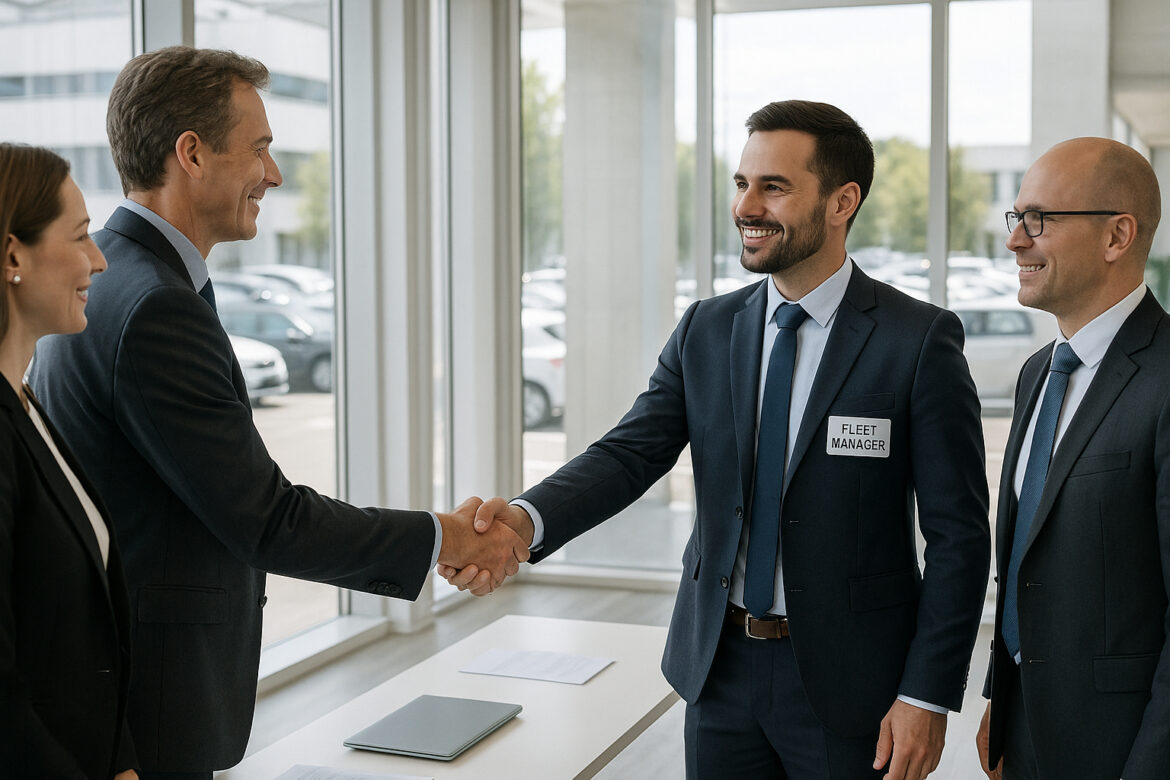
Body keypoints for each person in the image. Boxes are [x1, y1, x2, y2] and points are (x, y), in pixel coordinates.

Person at [445, 100, 991, 779]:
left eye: (774, 187)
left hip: (856, 684)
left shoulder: (917, 341)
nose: (746, 207)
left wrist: (925, 693)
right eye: (741, 184)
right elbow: (629, 453)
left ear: (842, 202)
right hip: (718, 669)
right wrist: (523, 523)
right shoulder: (706, 329)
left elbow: (959, 535)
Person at [28, 47, 527, 779]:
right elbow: (267, 520)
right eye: (259, 148)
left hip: (118, 687)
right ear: (191, 154)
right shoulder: (157, 305)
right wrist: (447, 535)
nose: (274, 174)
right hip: (149, 704)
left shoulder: (109, 271)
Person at [975, 138, 1168, 780]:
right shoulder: (1040, 372)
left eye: (1040, 220)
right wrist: (1002, 700)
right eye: (1017, 217)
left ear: (1117, 236)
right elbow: (1030, 561)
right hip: (1025, 731)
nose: (1015, 241)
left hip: (1121, 750)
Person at [0, 144, 137, 778]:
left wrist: (121, 760)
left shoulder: (26, 403)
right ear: (13, 257)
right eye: (80, 235)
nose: (99, 259)